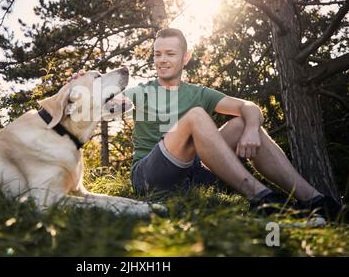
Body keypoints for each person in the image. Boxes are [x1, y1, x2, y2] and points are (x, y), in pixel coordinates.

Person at [69, 28, 346, 222]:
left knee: (241, 123)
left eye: (170, 53)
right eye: (157, 54)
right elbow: (105, 104)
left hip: (193, 174)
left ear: (184, 58)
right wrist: (82, 87)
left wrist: (250, 128)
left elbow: (248, 107)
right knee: (197, 117)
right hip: (150, 177)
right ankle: (261, 198)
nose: (162, 60)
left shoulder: (199, 92)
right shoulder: (141, 92)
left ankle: (318, 202)